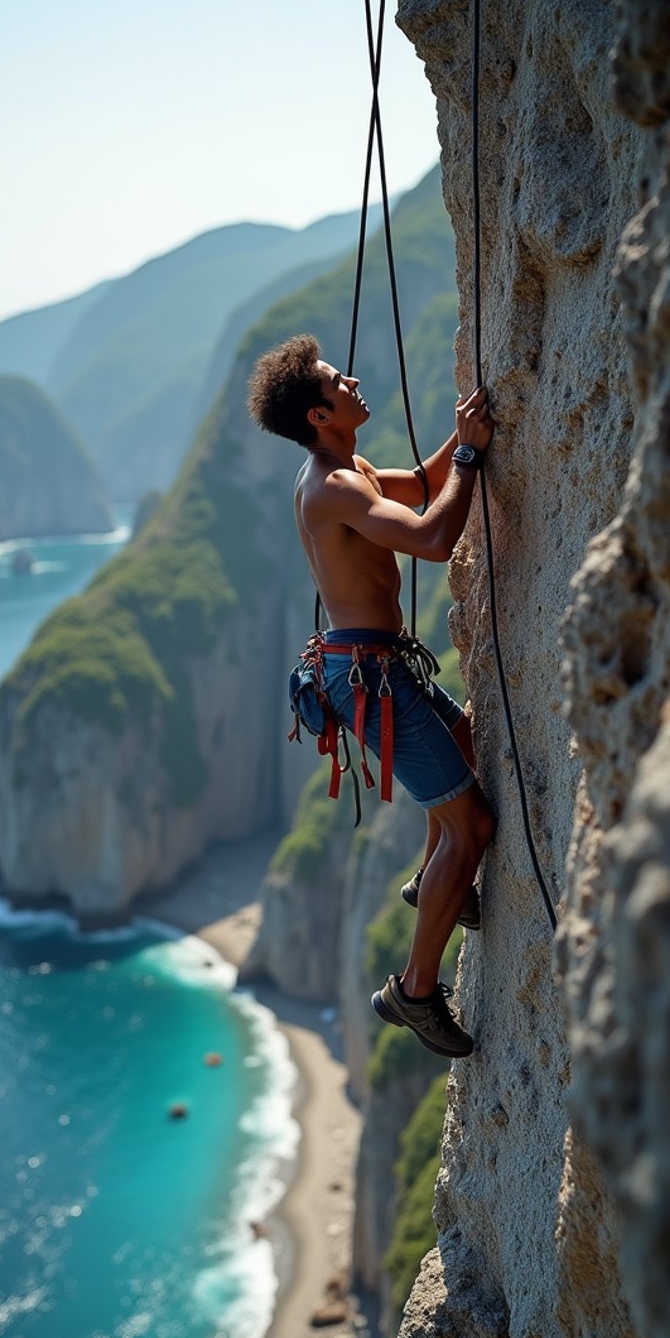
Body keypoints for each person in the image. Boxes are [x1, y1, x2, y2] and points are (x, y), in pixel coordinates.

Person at [248, 332, 496, 1058]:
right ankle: (415, 992)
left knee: (468, 743)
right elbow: (431, 535)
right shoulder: (331, 488)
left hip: (371, 665)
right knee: (472, 826)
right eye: (336, 382)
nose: (351, 381)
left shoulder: (343, 467)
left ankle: (433, 881)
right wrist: (474, 456)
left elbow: (420, 486)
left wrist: (464, 430)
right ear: (321, 416)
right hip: (370, 678)